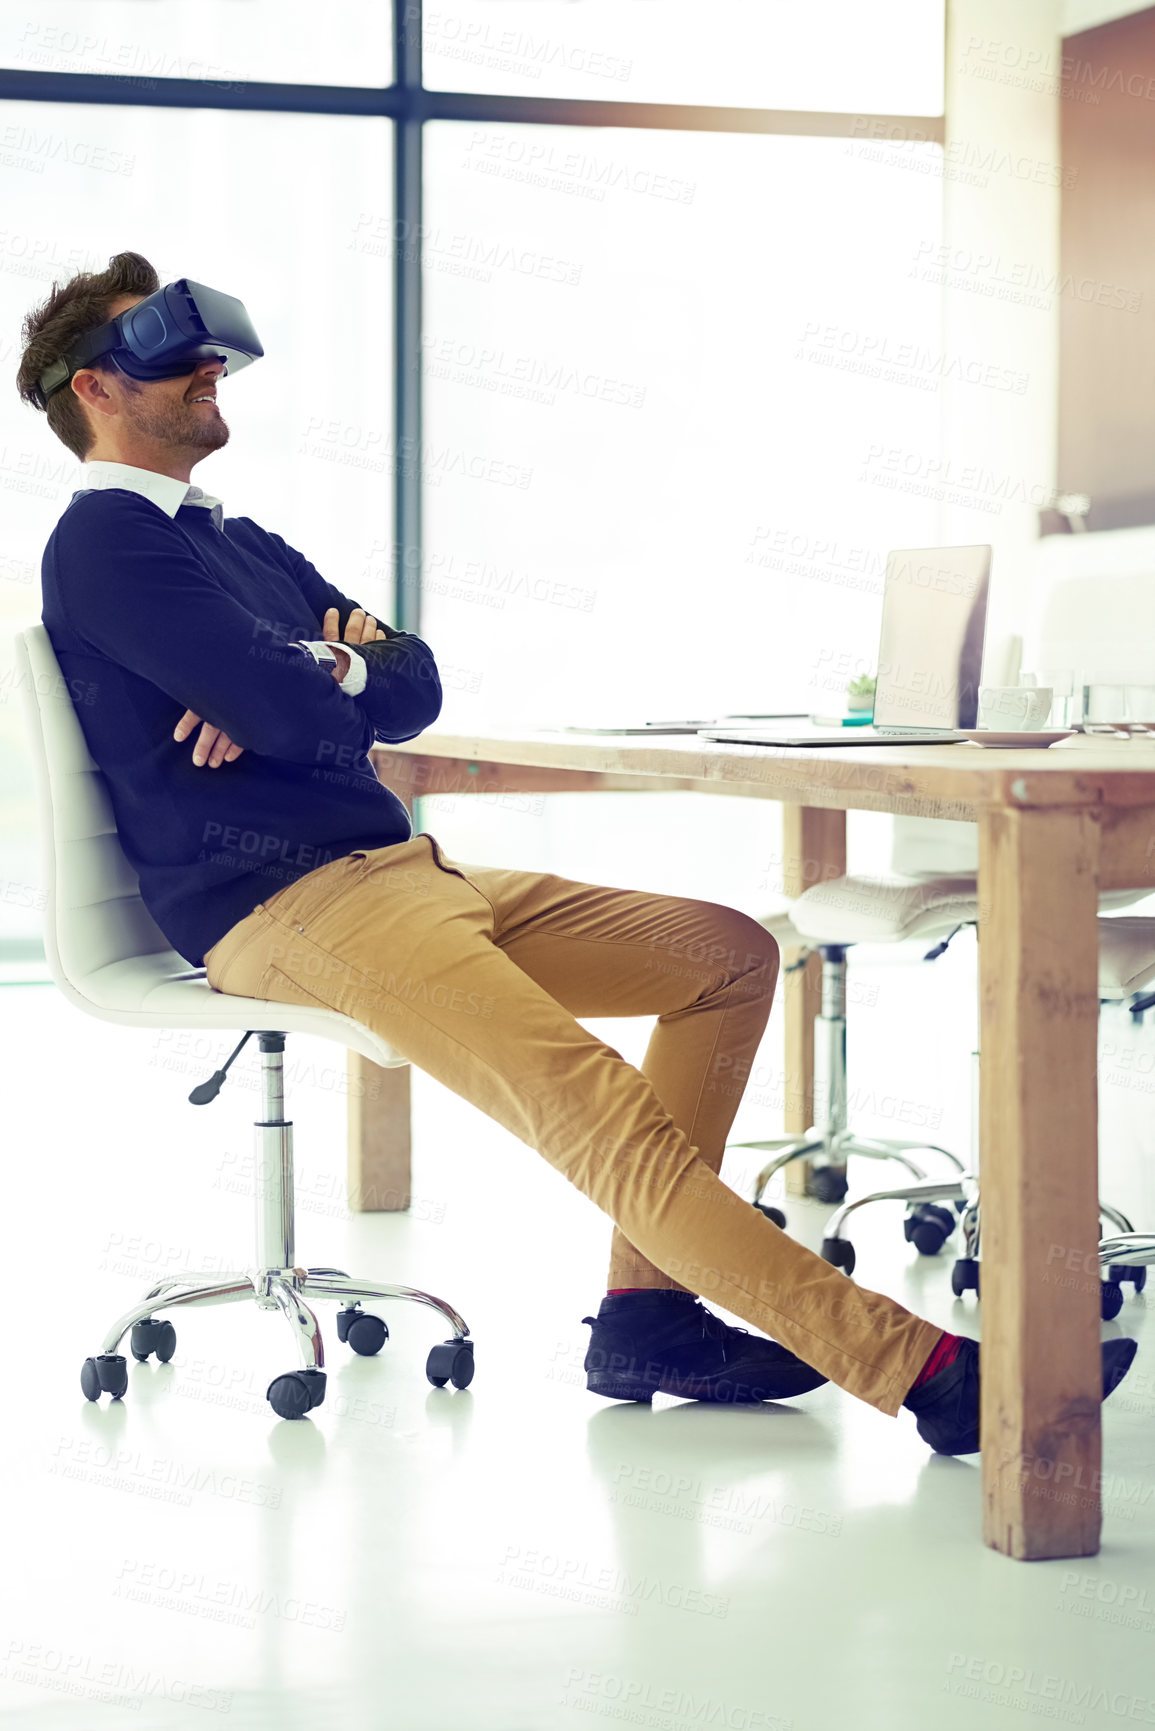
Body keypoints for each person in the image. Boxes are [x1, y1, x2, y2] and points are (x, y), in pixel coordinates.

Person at [19, 251, 1136, 1453]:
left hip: (404, 875)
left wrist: (319, 669)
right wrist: (304, 678)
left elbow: (412, 687)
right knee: (604, 1115)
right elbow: (305, 713)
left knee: (724, 953)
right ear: (93, 389)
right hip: (289, 909)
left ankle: (644, 1317)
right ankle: (926, 1372)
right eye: (167, 356)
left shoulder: (232, 541)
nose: (205, 371)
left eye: (207, 353)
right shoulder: (107, 546)